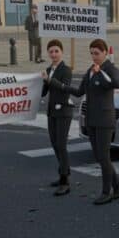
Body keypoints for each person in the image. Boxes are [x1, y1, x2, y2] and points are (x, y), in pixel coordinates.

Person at [49, 38, 119, 205]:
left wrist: (101, 73)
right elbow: (79, 91)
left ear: (104, 53)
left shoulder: (110, 68)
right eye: (91, 53)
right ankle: (117, 186)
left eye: (97, 53)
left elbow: (116, 84)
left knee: (104, 157)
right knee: (99, 156)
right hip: (91, 119)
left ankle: (107, 192)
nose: (94, 56)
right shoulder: (90, 70)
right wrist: (56, 84)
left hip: (105, 120)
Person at [40, 40, 74, 196]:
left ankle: (65, 181)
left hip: (64, 112)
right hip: (52, 112)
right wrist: (38, 83)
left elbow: (64, 89)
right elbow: (44, 92)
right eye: (51, 51)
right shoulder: (48, 69)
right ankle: (61, 175)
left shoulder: (66, 70)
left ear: (61, 52)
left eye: (56, 51)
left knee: (61, 144)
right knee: (54, 144)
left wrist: (49, 80)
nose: (53, 54)